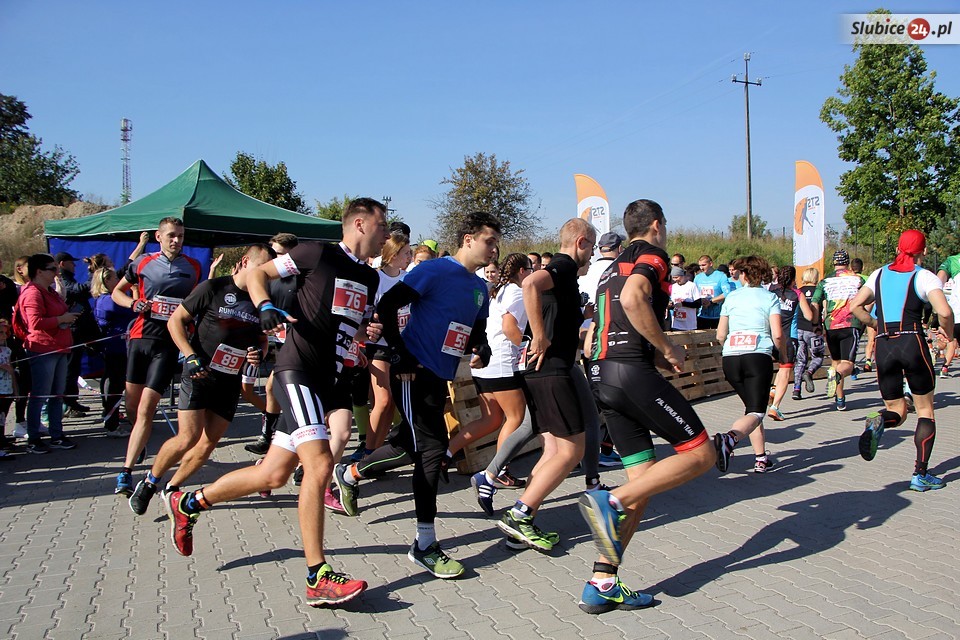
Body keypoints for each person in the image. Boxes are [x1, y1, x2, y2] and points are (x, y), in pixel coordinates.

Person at [164, 198, 388, 608]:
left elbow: (347, 325)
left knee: (272, 475)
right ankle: (317, 576)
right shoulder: (316, 253)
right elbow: (257, 274)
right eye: (382, 225)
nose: (387, 234)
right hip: (296, 371)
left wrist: (364, 333)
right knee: (319, 464)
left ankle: (190, 502)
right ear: (360, 223)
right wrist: (265, 305)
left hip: (327, 380)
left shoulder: (369, 277)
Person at [333, 211, 500, 580]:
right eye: (489, 241)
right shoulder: (435, 270)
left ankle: (350, 473)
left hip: (440, 374)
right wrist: (401, 353)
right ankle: (425, 543)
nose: (494, 249)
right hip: (413, 371)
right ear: (468, 239)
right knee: (431, 449)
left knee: (408, 445)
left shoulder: (479, 287)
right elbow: (388, 306)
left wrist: (481, 346)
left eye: (496, 243)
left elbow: (477, 328)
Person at [579, 199, 715, 614]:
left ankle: (602, 580)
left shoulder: (611, 267)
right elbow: (635, 299)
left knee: (644, 485)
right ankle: (608, 500)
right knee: (701, 454)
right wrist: (667, 347)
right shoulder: (651, 256)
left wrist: (654, 353)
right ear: (657, 225)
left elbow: (602, 328)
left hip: (602, 375)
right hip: (628, 374)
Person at [126, 244, 275, 515]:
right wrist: (190, 355)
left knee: (208, 443)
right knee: (188, 437)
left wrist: (259, 354)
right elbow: (175, 321)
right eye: (261, 268)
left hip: (229, 380)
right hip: (200, 373)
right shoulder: (213, 287)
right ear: (245, 262)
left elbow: (263, 340)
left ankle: (172, 487)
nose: (263, 276)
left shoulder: (262, 300)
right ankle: (149, 483)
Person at [491, 219, 595, 554]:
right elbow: (530, 283)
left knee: (552, 451)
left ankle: (523, 522)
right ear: (581, 242)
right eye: (592, 248)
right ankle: (519, 515)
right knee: (572, 451)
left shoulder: (563, 274)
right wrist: (538, 335)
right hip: (551, 371)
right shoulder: (563, 266)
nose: (592, 255)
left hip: (540, 370)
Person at [851, 230, 953, 492]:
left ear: (898, 248)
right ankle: (921, 474)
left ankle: (879, 422)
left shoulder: (878, 274)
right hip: (912, 342)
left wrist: (875, 324)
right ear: (924, 251)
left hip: (884, 345)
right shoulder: (924, 276)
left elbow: (855, 307)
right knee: (925, 410)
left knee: (897, 410)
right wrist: (949, 335)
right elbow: (944, 311)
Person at [112, 218, 202, 496]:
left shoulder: (193, 266)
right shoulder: (143, 263)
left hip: (168, 344)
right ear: (158, 237)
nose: (177, 240)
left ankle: (125, 472)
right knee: (132, 407)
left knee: (146, 408)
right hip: (141, 339)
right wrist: (133, 303)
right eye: (172, 235)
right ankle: (138, 442)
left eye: (181, 236)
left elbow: (196, 302)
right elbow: (116, 292)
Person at [452, 253, 532, 510]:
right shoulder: (516, 292)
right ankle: (498, 471)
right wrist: (531, 346)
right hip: (502, 364)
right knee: (516, 418)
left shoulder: (498, 290)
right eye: (530, 269)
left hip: (485, 364)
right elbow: (509, 327)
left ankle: (445, 453)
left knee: (491, 420)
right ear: (522, 271)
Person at [712, 256, 784, 473]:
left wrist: (731, 346)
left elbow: (720, 334)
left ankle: (761, 458)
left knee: (752, 409)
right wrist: (782, 354)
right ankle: (729, 439)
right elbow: (778, 334)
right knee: (757, 411)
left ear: (743, 274)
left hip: (731, 358)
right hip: (757, 357)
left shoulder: (731, 297)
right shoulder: (770, 297)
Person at [13, 253, 81, 454]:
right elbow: (34, 323)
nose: (56, 273)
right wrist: (62, 319)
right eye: (52, 269)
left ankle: (56, 435)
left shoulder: (49, 291)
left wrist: (66, 315)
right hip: (43, 349)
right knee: (40, 395)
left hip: (59, 347)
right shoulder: (32, 293)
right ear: (39, 271)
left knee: (57, 395)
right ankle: (34, 438)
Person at [357, 233, 413, 460]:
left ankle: (375, 452)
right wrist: (370, 325)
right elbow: (364, 312)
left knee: (391, 404)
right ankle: (367, 450)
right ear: (393, 254)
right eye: (406, 253)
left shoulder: (408, 278)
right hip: (378, 345)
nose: (410, 257)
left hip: (402, 345)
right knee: (382, 401)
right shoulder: (376, 279)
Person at [245, 232, 299, 455]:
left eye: (279, 255)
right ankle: (269, 436)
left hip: (298, 343)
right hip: (278, 342)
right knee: (271, 389)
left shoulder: (301, 278)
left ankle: (276, 438)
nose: (273, 260)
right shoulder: (270, 278)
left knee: (275, 389)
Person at [811, 250, 863, 411]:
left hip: (831, 326)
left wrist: (816, 324)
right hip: (850, 323)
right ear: (847, 262)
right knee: (848, 364)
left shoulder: (825, 281)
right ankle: (836, 377)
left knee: (836, 363)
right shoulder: (858, 279)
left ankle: (840, 399)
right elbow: (869, 299)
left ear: (833, 263)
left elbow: (815, 302)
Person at [91, 267, 136, 434]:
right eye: (115, 278)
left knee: (115, 384)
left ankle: (112, 417)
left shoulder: (106, 299)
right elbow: (133, 311)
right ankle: (112, 423)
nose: (118, 280)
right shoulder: (108, 301)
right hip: (116, 348)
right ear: (106, 281)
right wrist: (135, 292)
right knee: (115, 386)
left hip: (119, 348)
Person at [767, 266, 814, 420]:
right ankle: (775, 407)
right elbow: (809, 316)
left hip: (771, 337)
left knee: (780, 368)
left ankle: (773, 390)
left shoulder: (771, 292)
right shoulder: (797, 294)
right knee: (786, 371)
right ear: (794, 278)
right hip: (789, 338)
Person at [54, 251, 95, 418]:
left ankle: (72, 400)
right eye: (72, 262)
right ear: (62, 264)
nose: (75, 266)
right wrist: (93, 274)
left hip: (78, 330)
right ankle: (67, 404)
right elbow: (80, 291)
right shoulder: (62, 281)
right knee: (69, 370)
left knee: (74, 368)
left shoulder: (68, 279)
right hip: (71, 331)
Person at [793, 268, 824, 398]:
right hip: (813, 330)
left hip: (799, 329)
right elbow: (823, 310)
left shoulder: (798, 291)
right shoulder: (819, 291)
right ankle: (809, 373)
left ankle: (796, 389)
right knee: (818, 357)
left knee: (800, 360)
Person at [579, 231, 623, 306]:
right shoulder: (620, 269)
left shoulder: (587, 270)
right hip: (608, 311)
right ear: (620, 249)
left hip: (585, 310)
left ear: (600, 251)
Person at [935, 252, 960, 378]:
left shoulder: (953, 260)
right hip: (954, 313)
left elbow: (938, 281)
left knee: (951, 341)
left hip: (955, 315)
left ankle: (945, 367)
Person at [694, 255, 731, 330]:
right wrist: (701, 300)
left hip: (717, 315)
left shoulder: (721, 276)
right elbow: (694, 294)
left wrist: (711, 301)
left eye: (704, 265)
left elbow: (727, 293)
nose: (701, 268)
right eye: (700, 265)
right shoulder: (698, 278)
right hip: (701, 315)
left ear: (710, 264)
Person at [669, 265, 701, 331]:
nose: (675, 280)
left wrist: (683, 304)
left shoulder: (692, 285)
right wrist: (670, 304)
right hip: (676, 324)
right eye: (673, 278)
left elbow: (698, 304)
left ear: (683, 275)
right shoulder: (673, 286)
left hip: (689, 324)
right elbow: (672, 302)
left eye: (677, 277)